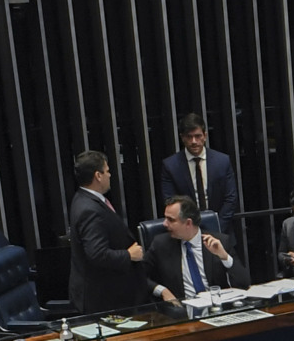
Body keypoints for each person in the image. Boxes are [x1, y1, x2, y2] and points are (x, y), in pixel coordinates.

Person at [66, 150, 146, 312]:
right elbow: (97, 254)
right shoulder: (89, 209)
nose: (110, 175)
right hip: (101, 298)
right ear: (98, 175)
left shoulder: (84, 199)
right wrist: (129, 255)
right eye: (108, 171)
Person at [142, 193, 250, 308]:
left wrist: (224, 256)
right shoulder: (161, 244)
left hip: (217, 309)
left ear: (188, 223)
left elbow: (244, 283)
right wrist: (162, 290)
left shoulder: (220, 242)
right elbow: (139, 275)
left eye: (171, 220)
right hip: (182, 312)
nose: (164, 224)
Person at [159, 113, 239, 224]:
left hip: (221, 230)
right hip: (186, 229)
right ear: (182, 137)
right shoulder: (171, 166)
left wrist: (217, 226)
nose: (194, 142)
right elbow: (170, 201)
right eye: (189, 137)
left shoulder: (222, 161)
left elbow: (231, 199)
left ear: (205, 136)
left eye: (198, 136)